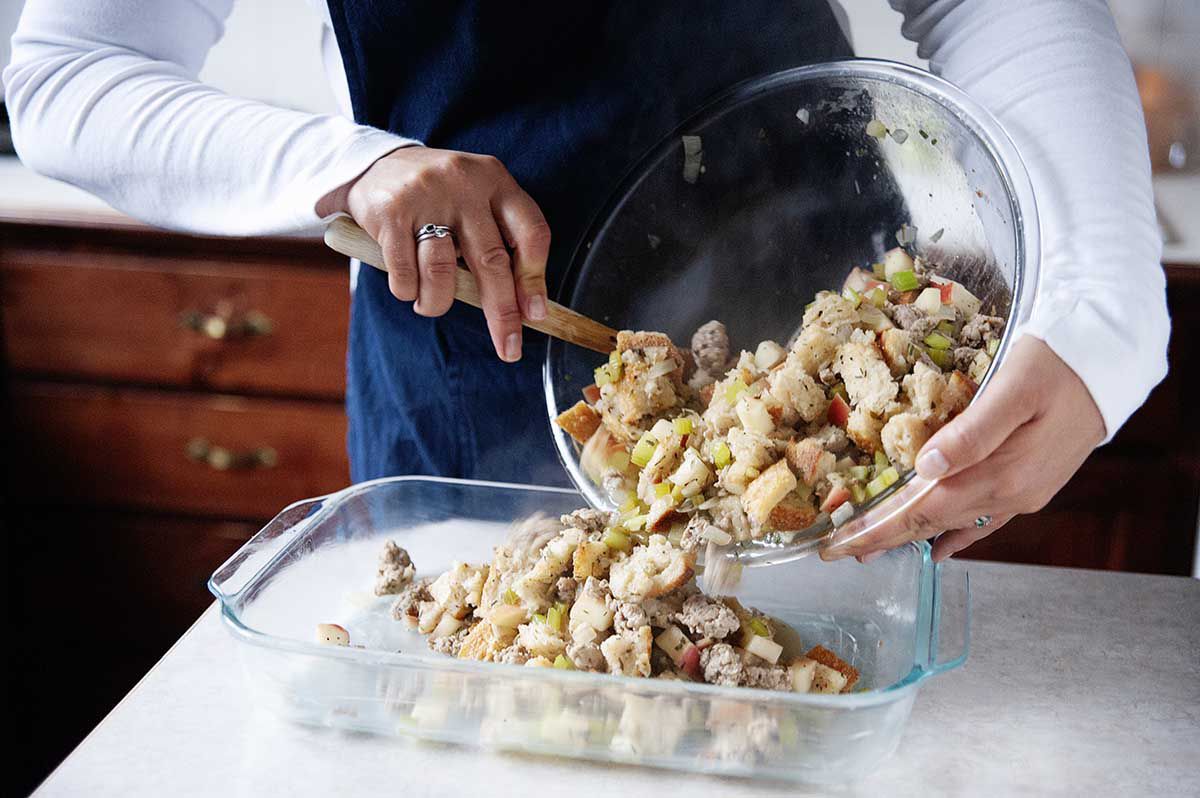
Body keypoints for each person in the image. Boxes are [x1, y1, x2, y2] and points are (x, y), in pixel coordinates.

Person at [3, 0, 1169, 562]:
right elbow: (61, 73)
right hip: (474, 404)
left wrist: (1104, 320)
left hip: (843, 379)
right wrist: (347, 165)